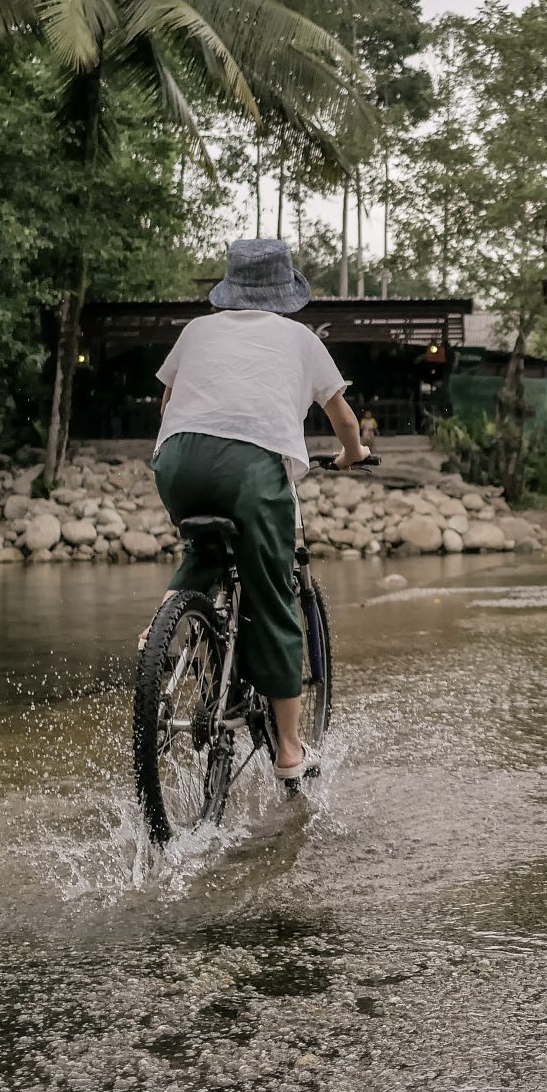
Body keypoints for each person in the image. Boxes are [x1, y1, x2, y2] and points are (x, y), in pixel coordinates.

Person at [149, 238, 371, 783]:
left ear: (230, 288)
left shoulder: (196, 331)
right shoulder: (300, 338)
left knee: (203, 547)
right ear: (284, 291)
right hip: (251, 469)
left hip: (177, 463)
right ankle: (291, 752)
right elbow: (342, 417)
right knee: (273, 598)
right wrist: (353, 454)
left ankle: (161, 636)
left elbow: (169, 403)